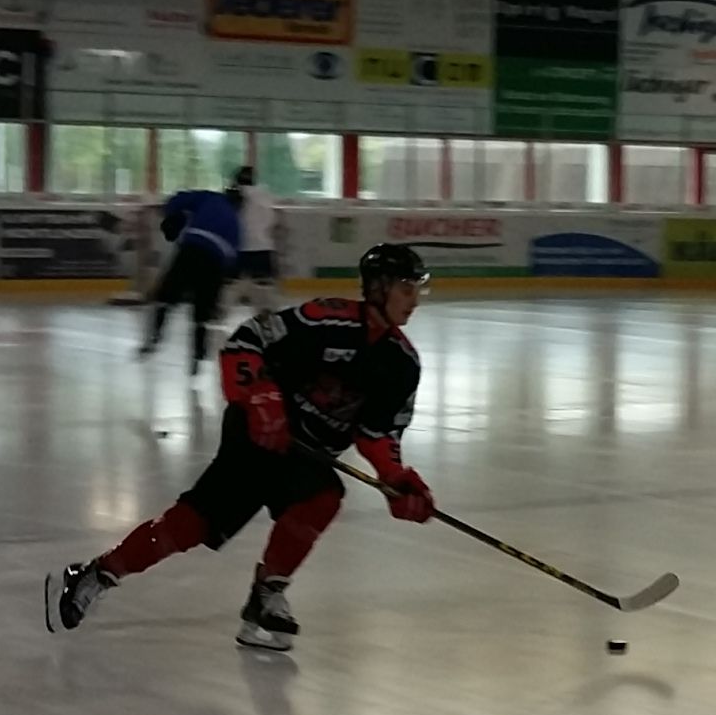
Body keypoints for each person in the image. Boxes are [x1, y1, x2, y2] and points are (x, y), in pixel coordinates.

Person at [49, 242, 434, 650]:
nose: (413, 301)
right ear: (378, 287)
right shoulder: (327, 318)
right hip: (256, 433)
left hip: (307, 452)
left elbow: (378, 432)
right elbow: (246, 340)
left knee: (323, 498)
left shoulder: (403, 364)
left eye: (417, 291)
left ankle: (265, 597)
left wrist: (395, 479)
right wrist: (259, 395)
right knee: (190, 525)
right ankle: (94, 574)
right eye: (406, 289)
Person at [142, 178, 239, 363]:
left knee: (166, 295)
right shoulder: (236, 222)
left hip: (191, 249)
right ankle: (198, 351)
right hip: (215, 261)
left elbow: (179, 198)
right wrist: (224, 281)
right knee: (203, 308)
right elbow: (233, 257)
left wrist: (171, 214)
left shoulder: (210, 197)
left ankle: (155, 335)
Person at [226, 161, 282, 318]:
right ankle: (268, 318)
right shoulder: (265, 195)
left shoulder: (232, 196)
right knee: (264, 286)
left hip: (237, 247)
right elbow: (272, 221)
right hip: (263, 246)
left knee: (229, 286)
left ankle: (216, 319)